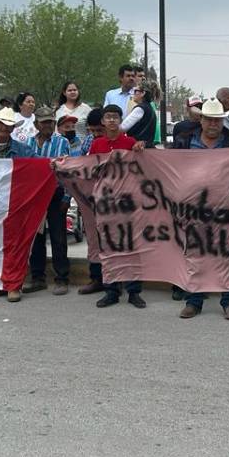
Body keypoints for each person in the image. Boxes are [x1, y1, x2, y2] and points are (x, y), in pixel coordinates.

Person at [172, 98, 229, 320]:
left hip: (227, 207)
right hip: (193, 207)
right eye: (209, 119)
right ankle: (193, 300)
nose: (213, 124)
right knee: (194, 254)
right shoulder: (184, 141)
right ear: (201, 119)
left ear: (223, 121)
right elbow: (169, 166)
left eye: (218, 120)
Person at [81, 104, 146, 308]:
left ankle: (134, 291)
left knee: (131, 246)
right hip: (105, 203)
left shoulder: (130, 142)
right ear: (102, 121)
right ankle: (112, 290)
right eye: (108, 117)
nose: (111, 121)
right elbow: (88, 168)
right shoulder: (97, 144)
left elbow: (141, 169)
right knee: (107, 247)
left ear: (120, 120)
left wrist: (140, 148)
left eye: (115, 117)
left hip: (127, 202)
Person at [23, 107, 72, 298]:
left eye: (51, 121)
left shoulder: (62, 142)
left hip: (56, 193)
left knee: (59, 237)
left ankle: (62, 278)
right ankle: (38, 278)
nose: (48, 125)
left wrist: (67, 196)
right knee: (37, 238)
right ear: (36, 124)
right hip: (35, 195)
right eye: (44, 122)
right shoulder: (27, 143)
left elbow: (68, 171)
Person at [120, 83, 157, 147]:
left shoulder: (140, 109)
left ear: (143, 93)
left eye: (135, 91)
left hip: (137, 148)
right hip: (147, 147)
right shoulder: (150, 109)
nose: (133, 94)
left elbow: (122, 128)